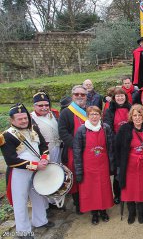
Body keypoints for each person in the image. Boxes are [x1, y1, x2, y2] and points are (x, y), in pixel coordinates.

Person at [0, 103, 54, 238]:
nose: (24, 121)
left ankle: (40, 220)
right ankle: (23, 230)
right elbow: (11, 161)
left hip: (38, 167)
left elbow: (43, 146)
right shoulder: (6, 136)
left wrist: (45, 158)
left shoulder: (34, 128)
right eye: (20, 119)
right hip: (19, 173)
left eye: (25, 118)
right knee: (20, 200)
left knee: (38, 194)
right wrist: (35, 165)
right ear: (12, 121)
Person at [115, 104, 143, 224]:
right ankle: (131, 212)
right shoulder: (124, 129)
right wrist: (119, 164)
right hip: (129, 164)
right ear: (131, 116)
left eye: (139, 115)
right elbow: (117, 148)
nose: (137, 117)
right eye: (134, 115)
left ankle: (141, 211)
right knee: (129, 189)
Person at [73, 106, 114, 225]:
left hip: (103, 165)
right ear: (88, 116)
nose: (94, 116)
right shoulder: (81, 130)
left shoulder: (106, 128)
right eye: (92, 114)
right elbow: (77, 151)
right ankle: (94, 213)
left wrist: (112, 165)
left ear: (100, 115)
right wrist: (79, 170)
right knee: (91, 190)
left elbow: (110, 148)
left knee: (104, 188)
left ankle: (103, 211)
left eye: (96, 114)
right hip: (88, 167)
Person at [58, 85, 88, 214]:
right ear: (72, 96)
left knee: (88, 176)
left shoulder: (89, 110)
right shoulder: (66, 112)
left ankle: (89, 200)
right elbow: (63, 132)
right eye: (77, 94)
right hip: (73, 150)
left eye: (83, 94)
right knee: (76, 177)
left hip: (88, 150)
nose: (80, 96)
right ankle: (78, 204)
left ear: (86, 96)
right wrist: (76, 146)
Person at [103, 87, 131, 204]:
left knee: (130, 169)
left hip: (130, 142)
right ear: (114, 98)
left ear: (125, 97)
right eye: (118, 96)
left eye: (122, 95)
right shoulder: (110, 110)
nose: (120, 98)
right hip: (116, 144)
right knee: (118, 170)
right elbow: (108, 127)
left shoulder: (130, 108)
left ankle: (129, 192)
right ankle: (118, 194)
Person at [31, 92, 61, 163]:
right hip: (44, 150)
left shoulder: (54, 113)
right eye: (40, 106)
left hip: (59, 148)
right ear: (34, 106)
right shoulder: (31, 118)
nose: (44, 108)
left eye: (46, 105)